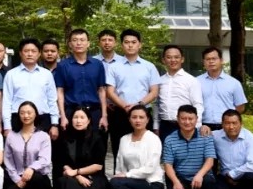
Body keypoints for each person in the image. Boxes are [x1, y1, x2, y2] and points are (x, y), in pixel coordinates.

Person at [106, 29, 160, 160]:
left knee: (144, 151)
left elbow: (154, 91)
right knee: (119, 152)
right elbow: (109, 92)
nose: (130, 45)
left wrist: (138, 105)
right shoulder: (113, 67)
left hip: (143, 114)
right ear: (122, 45)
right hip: (120, 113)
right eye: (126, 42)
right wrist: (125, 106)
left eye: (133, 42)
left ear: (139, 44)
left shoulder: (149, 66)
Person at [161, 104, 216, 189]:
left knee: (207, 181)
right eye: (183, 118)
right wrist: (176, 182)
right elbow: (167, 165)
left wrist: (199, 175)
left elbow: (210, 161)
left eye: (190, 119)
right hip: (182, 178)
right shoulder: (170, 139)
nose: (187, 122)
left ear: (196, 119)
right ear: (177, 119)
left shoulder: (205, 136)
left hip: (202, 177)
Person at [109, 104, 164, 189]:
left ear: (147, 119)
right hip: (130, 184)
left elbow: (150, 168)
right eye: (134, 117)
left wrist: (126, 176)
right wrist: (120, 183)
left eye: (141, 117)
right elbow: (120, 164)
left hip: (151, 184)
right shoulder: (124, 139)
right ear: (129, 119)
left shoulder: (153, 139)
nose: (137, 120)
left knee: (115, 182)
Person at [56, 107, 110, 189]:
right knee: (64, 180)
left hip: (93, 176)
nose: (78, 121)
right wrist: (77, 176)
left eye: (82, 117)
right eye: (75, 117)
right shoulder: (65, 137)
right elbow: (63, 162)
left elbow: (98, 166)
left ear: (89, 120)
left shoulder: (97, 137)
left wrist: (77, 172)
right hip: (73, 177)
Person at [2, 101, 52, 189]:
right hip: (18, 178)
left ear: (35, 114)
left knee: (37, 179)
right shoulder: (11, 136)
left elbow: (45, 159)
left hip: (37, 177)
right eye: (22, 113)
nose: (26, 116)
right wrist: (16, 178)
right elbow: (8, 160)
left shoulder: (43, 136)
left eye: (29, 113)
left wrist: (31, 168)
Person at [1, 38, 59, 135]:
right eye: (26, 51)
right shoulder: (11, 74)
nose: (30, 54)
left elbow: (52, 100)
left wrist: (54, 124)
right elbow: (7, 101)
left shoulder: (46, 74)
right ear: (20, 53)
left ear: (39, 54)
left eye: (33, 51)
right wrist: (7, 126)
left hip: (42, 119)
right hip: (18, 119)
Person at [55, 28, 108, 132]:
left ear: (88, 43)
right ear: (70, 44)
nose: (78, 43)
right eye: (75, 40)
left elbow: (102, 90)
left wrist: (104, 115)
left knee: (96, 140)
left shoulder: (97, 64)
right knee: (71, 142)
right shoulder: (62, 65)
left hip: (94, 111)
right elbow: (60, 91)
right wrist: (63, 116)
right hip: (71, 112)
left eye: (82, 40)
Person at [155, 45, 204, 141]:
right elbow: (157, 104)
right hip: (165, 126)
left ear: (182, 59)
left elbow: (198, 104)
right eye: (169, 57)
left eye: (176, 57)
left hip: (186, 126)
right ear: (163, 60)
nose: (173, 60)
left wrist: (196, 127)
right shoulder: (160, 81)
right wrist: (156, 126)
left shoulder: (191, 80)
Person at [197, 47, 247, 134]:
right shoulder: (196, 82)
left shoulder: (234, 83)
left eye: (214, 58)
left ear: (221, 60)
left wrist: (229, 120)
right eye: (208, 59)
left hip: (226, 126)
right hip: (203, 126)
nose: (211, 61)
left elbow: (240, 107)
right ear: (203, 62)